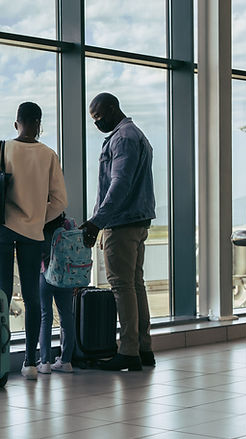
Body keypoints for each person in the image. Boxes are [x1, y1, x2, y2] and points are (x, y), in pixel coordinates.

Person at [0, 102, 67, 380]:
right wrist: (37, 218)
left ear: (16, 124)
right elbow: (60, 201)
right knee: (33, 297)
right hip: (33, 234)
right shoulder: (48, 155)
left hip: (1, 229)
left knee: (2, 295)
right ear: (39, 124)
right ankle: (30, 362)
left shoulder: (0, 148)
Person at [80, 93, 156, 371]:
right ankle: (143, 348)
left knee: (122, 286)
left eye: (98, 116)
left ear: (113, 108)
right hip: (138, 221)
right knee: (136, 284)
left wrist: (96, 221)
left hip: (121, 224)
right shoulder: (138, 135)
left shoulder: (122, 138)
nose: (96, 122)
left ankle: (128, 351)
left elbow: (119, 184)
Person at [38, 214, 76, 373]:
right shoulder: (68, 224)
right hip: (66, 276)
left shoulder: (41, 225)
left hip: (46, 274)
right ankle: (66, 361)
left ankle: (45, 362)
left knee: (45, 315)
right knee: (67, 316)